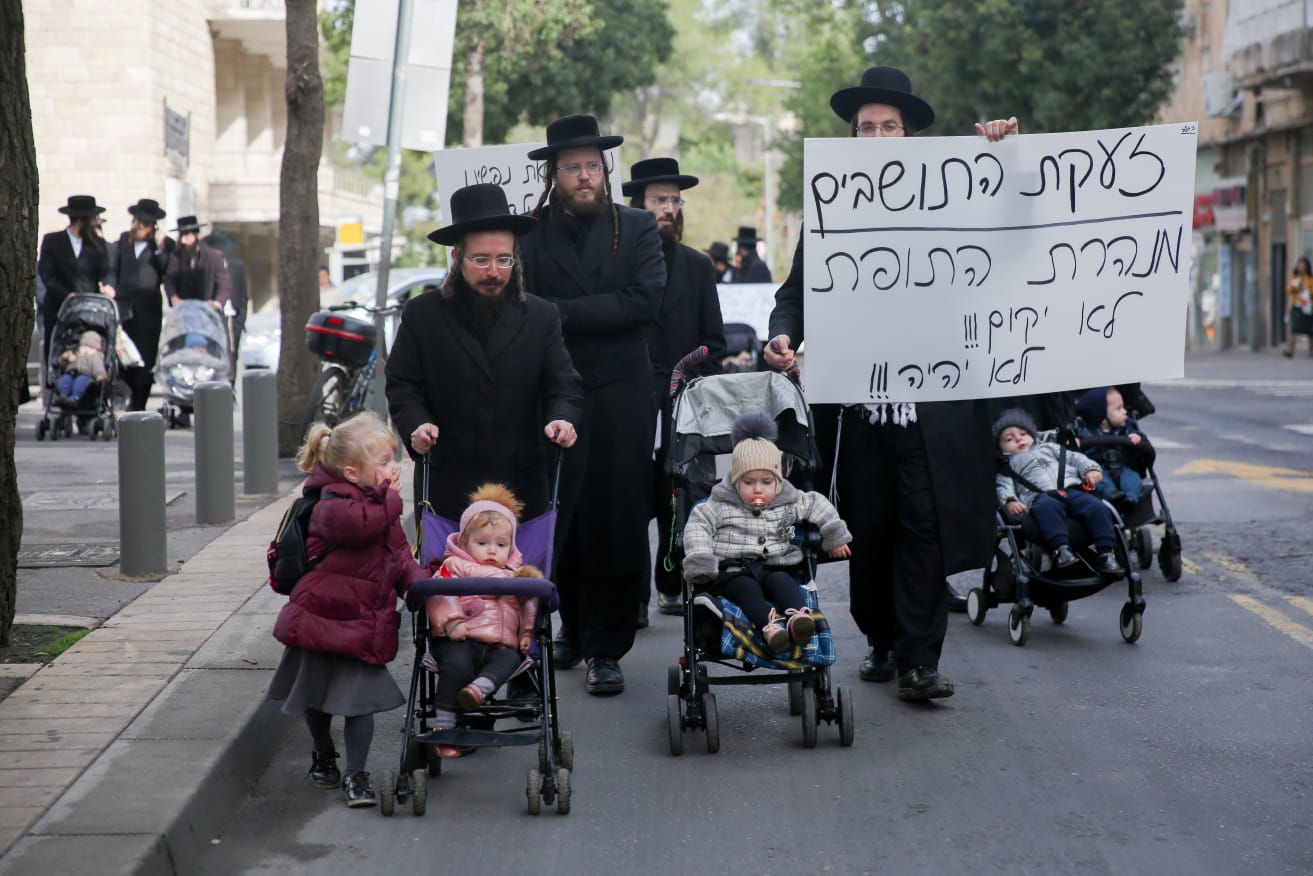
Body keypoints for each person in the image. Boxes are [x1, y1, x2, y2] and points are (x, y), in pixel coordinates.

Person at [764, 65, 1018, 701]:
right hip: (859, 410)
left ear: (909, 137)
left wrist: (1005, 158)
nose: (878, 136)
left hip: (936, 411)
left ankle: (918, 660)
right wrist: (783, 336)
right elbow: (795, 295)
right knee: (869, 533)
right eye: (867, 127)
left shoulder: (959, 197)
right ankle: (879, 636)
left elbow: (1018, 237)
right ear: (852, 138)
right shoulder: (830, 211)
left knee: (924, 532)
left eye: (890, 126)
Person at [518, 114, 666, 696]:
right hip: (556, 391)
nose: (584, 176)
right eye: (571, 167)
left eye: (591, 166)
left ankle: (608, 647)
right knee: (562, 513)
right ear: (553, 174)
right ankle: (570, 629)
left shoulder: (637, 227)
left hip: (625, 395)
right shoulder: (527, 233)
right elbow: (521, 301)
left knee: (619, 517)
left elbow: (643, 301)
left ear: (605, 170)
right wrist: (581, 312)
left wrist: (559, 312)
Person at [385, 182, 582, 525]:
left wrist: (562, 417)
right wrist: (416, 425)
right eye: (481, 259)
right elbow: (402, 384)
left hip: (521, 487)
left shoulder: (541, 315)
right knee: (445, 577)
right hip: (447, 486)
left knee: (520, 577)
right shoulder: (422, 314)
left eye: (503, 259)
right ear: (456, 257)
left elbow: (562, 382)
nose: (493, 272)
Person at [268, 411, 428, 809]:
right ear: (353, 473)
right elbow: (358, 527)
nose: (394, 469)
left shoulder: (382, 508)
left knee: (360, 706)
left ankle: (357, 774)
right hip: (320, 620)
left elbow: (399, 558)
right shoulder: (332, 503)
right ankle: (324, 752)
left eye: (394, 459)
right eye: (386, 462)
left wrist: (425, 588)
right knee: (315, 697)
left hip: (362, 623)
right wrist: (391, 498)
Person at [623, 156, 728, 624]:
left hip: (684, 405)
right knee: (625, 504)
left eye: (674, 199)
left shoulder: (697, 266)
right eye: (658, 199)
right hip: (628, 401)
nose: (669, 208)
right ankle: (630, 599)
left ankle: (670, 583)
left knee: (678, 500)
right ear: (637, 206)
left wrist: (685, 372)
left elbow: (716, 343)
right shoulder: (617, 268)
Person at [682, 412, 852, 650]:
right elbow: (697, 526)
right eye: (748, 482)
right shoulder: (719, 504)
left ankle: (798, 618)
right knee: (746, 590)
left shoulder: (788, 499)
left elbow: (817, 503)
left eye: (766, 482)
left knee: (784, 582)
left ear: (778, 481)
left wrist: (833, 534)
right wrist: (701, 561)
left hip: (775, 564)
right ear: (735, 482)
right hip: (734, 569)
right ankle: (770, 628)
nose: (758, 489)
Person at [424, 483, 542, 758]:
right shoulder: (454, 567)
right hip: (461, 637)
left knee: (512, 659)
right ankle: (445, 729)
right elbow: (439, 594)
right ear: (464, 543)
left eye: (501, 545)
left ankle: (478, 691)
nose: (492, 551)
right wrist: (452, 621)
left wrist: (526, 633)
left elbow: (528, 606)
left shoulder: (517, 576)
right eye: (482, 543)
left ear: (511, 547)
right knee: (456, 666)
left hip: (502, 644)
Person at [995, 408, 1123, 575]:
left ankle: (1106, 553)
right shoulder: (1009, 465)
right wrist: (1010, 500)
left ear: (1033, 436)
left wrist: (1090, 469)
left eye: (1023, 433)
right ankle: (1061, 550)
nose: (1018, 438)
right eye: (1009, 439)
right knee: (1047, 507)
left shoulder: (1050, 448)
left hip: (1071, 489)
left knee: (1096, 506)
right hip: (1039, 497)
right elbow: (1003, 485)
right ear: (1002, 448)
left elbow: (1075, 458)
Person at [112, 198, 173, 410]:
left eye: (145, 224)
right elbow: (114, 269)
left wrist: (158, 247)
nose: (139, 226)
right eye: (137, 221)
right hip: (124, 308)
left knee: (145, 359)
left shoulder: (162, 247)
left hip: (148, 313)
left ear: (152, 227)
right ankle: (123, 399)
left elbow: (167, 270)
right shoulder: (122, 242)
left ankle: (139, 403)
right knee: (124, 357)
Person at [37, 195, 116, 359]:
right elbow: (47, 274)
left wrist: (109, 285)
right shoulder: (52, 241)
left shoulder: (97, 244)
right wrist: (66, 295)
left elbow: (107, 271)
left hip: (89, 313)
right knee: (57, 356)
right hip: (59, 310)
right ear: (82, 220)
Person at [1074, 386, 1155, 508]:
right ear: (1101, 417)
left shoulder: (1127, 428)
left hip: (1123, 467)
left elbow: (1143, 443)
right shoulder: (1086, 432)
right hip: (1098, 469)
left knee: (1133, 479)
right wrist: (1076, 443)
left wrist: (1138, 438)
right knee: (1098, 480)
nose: (1124, 411)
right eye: (1119, 409)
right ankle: (1112, 494)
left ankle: (1131, 497)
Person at [203, 229, 248, 377]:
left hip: (232, 318)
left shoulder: (236, 266)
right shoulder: (205, 266)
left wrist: (240, 321)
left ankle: (231, 385)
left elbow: (243, 296)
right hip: (213, 316)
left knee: (232, 355)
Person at [164, 215, 230, 310]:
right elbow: (169, 280)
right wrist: (174, 297)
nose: (184, 241)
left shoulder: (214, 257)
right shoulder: (176, 257)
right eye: (182, 235)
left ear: (198, 236)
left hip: (209, 313)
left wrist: (216, 303)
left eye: (188, 235)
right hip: (185, 312)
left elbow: (224, 283)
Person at [54, 330, 106, 407]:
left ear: (97, 350)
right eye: (84, 346)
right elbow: (63, 365)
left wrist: (100, 375)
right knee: (64, 380)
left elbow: (98, 367)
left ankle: (75, 398)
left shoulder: (95, 356)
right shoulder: (76, 355)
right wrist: (64, 358)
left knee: (80, 381)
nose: (86, 349)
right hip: (70, 374)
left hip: (86, 375)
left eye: (90, 347)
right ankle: (63, 396)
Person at [1284, 256, 1313, 358]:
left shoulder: (1310, 278)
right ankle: (1290, 350)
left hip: (1308, 307)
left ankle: (1311, 350)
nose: (1300, 267)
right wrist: (1296, 289)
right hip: (1296, 306)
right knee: (1293, 328)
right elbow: (1288, 289)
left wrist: (1305, 289)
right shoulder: (1295, 277)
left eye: (1303, 266)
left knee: (1310, 330)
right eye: (1299, 265)